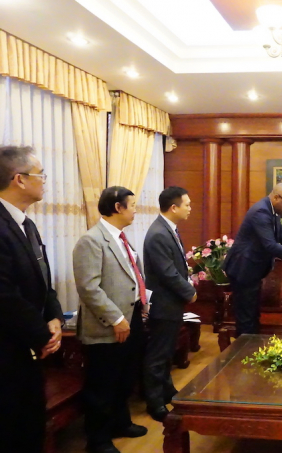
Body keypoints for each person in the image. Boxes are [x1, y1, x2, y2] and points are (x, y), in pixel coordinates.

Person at [73, 186, 147, 453]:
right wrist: (116, 318)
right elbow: (89, 288)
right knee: (103, 383)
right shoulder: (91, 240)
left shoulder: (122, 238)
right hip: (108, 325)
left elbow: (129, 277)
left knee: (125, 377)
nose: (136, 209)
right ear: (118, 207)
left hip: (132, 317)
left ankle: (120, 423)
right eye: (133, 204)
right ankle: (98, 439)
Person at [0, 146, 64, 453]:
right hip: (7, 351)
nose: (45, 180)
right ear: (19, 179)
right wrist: (42, 333)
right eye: (40, 174)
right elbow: (4, 295)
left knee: (30, 427)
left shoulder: (26, 224)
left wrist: (54, 317)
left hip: (28, 350)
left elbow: (43, 281)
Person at [222, 183, 282, 336]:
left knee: (253, 314)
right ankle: (244, 354)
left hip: (252, 270)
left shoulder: (271, 211)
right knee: (247, 317)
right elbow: (271, 246)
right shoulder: (261, 212)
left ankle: (251, 349)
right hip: (243, 269)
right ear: (276, 197)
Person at [143, 187, 197, 422]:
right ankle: (154, 403)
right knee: (157, 356)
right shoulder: (158, 233)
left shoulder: (168, 229)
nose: (189, 208)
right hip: (164, 304)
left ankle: (167, 391)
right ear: (173, 207)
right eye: (187, 204)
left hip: (172, 303)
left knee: (166, 353)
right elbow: (167, 273)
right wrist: (190, 292)